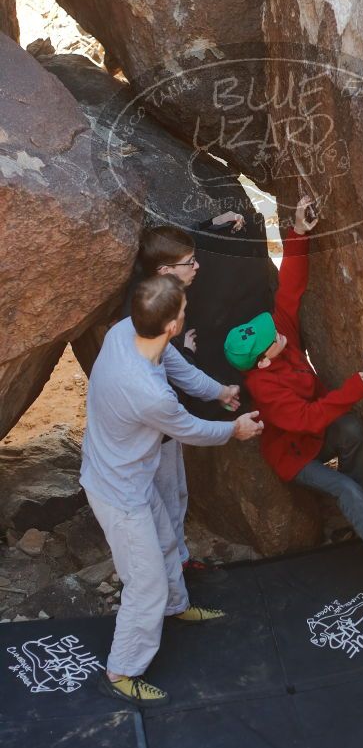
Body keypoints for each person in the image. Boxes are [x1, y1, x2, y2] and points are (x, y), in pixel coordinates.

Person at [224, 196, 363, 589]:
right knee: (345, 487)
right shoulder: (265, 387)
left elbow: (290, 290)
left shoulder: (276, 341)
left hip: (315, 435)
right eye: (273, 339)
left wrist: (298, 232)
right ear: (262, 361)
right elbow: (306, 419)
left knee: (351, 430)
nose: (280, 332)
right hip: (294, 455)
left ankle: (360, 507)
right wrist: (355, 387)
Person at [81, 274, 263, 706]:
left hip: (129, 472)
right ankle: (122, 669)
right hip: (117, 492)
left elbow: (177, 366)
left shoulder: (125, 330)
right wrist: (234, 430)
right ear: (172, 326)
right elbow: (190, 429)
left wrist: (219, 391)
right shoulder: (147, 393)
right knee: (144, 586)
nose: (185, 315)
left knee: (166, 542)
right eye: (182, 312)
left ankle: (175, 607)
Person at [122, 216, 244, 575]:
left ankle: (178, 560)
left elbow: (159, 243)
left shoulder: (147, 290)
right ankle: (172, 574)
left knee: (175, 496)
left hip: (156, 430)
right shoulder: (150, 322)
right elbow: (172, 386)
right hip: (150, 437)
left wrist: (213, 224)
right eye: (190, 263)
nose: (197, 266)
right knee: (165, 501)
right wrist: (233, 426)